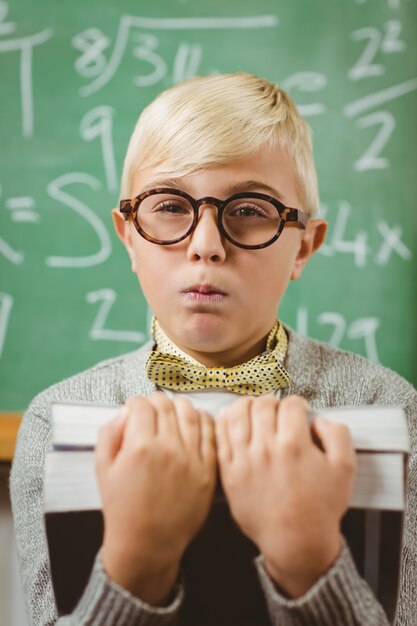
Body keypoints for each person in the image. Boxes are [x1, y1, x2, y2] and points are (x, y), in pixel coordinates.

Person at [10, 72, 416, 626]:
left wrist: (309, 563)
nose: (205, 246)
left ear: (304, 247)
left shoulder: (386, 406)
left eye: (249, 210)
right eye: (170, 206)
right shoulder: (57, 420)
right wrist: (136, 565)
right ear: (129, 236)